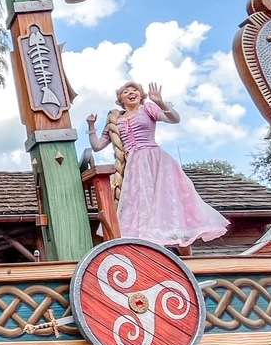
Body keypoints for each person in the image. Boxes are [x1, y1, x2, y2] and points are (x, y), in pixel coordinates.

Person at [87, 81, 229, 246]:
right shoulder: (115, 119)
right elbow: (97, 146)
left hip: (156, 161)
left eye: (135, 90)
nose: (131, 92)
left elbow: (174, 119)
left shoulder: (148, 108)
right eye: (126, 91)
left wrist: (160, 102)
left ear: (141, 95)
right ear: (120, 99)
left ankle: (177, 244)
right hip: (134, 166)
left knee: (166, 200)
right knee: (138, 205)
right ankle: (142, 243)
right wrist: (91, 126)